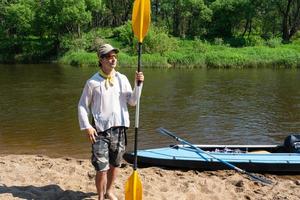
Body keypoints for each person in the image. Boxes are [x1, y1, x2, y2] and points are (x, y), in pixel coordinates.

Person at [78, 43, 144, 200]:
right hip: (99, 132)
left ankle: (108, 191)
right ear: (101, 60)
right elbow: (81, 105)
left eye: (114, 56)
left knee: (115, 165)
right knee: (101, 168)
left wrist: (138, 85)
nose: (113, 59)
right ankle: (101, 196)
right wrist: (87, 126)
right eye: (109, 56)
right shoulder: (92, 82)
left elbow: (133, 102)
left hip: (119, 130)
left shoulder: (122, 79)